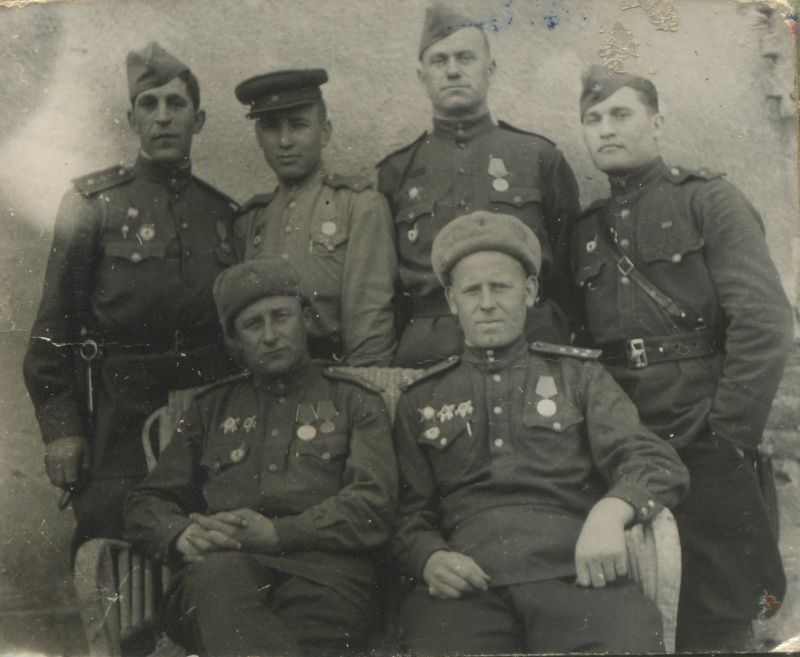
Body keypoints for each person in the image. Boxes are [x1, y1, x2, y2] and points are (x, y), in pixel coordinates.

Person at [392, 210, 689, 655]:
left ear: (530, 291)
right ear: (452, 300)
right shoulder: (421, 398)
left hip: (576, 576)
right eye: (472, 290)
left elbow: (655, 460)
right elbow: (405, 511)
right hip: (469, 587)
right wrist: (429, 557)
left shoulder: (579, 377)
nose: (487, 303)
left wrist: (611, 511)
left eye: (501, 287)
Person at [573, 65, 794, 652]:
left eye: (621, 114)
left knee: (720, 608)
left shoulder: (707, 200)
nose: (605, 129)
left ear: (657, 122)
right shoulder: (586, 229)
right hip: (622, 435)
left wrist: (728, 432)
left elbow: (765, 321)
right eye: (593, 119)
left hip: (702, 429)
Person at [23, 42, 239, 558]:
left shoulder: (221, 213)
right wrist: (62, 431)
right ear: (132, 119)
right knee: (115, 547)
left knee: (206, 546)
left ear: (198, 120)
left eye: (176, 104)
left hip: (204, 410)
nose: (163, 117)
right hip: (117, 417)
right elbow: (52, 330)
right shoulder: (93, 206)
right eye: (149, 104)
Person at [124, 257, 397, 657]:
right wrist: (180, 534)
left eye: (281, 317)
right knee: (217, 584)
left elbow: (374, 504)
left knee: (298, 629)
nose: (270, 335)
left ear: (306, 319)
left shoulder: (354, 401)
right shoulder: (208, 410)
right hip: (223, 571)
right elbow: (146, 501)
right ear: (234, 341)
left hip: (327, 577)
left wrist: (279, 533)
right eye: (253, 324)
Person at [377, 5, 581, 367]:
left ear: (490, 68)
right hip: (432, 353)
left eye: (465, 57)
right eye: (439, 61)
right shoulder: (397, 171)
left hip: (530, 346)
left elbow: (567, 269)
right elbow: (387, 287)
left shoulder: (538, 156)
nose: (453, 70)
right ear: (422, 76)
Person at [233, 69, 396, 366]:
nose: (284, 141)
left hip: (336, 375)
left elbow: (370, 320)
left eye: (298, 125)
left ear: (325, 132)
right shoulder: (251, 219)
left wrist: (363, 384)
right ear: (258, 137)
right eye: (271, 127)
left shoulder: (359, 206)